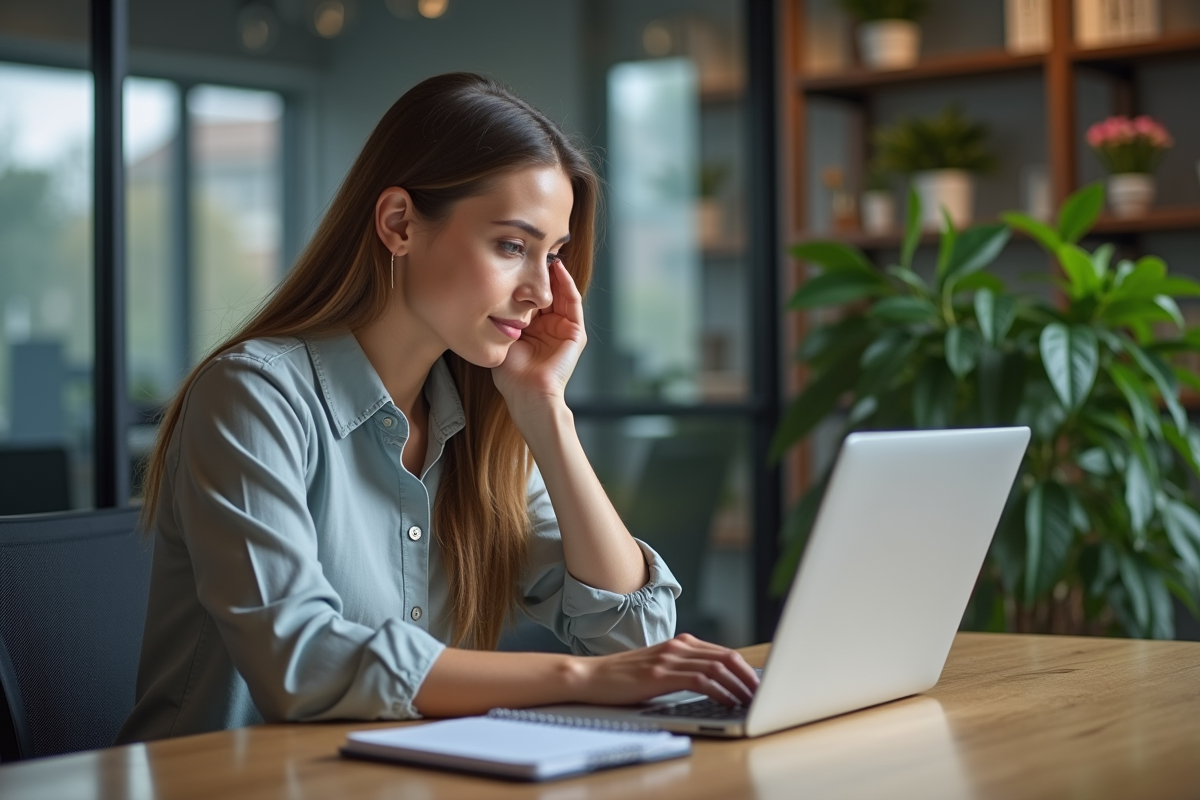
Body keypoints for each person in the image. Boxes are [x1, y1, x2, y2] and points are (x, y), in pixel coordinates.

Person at [117, 72, 757, 743]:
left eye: (554, 255)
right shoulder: (253, 396)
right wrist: (578, 682)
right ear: (399, 224)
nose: (541, 291)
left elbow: (633, 634)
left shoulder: (480, 422)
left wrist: (547, 413)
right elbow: (301, 664)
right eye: (512, 246)